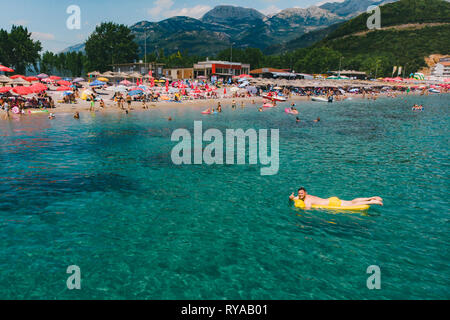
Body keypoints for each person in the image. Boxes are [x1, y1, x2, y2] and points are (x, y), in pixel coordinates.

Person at [289, 187, 383, 209]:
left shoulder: (307, 200)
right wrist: (291, 198)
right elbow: (296, 198)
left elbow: (307, 208)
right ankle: (371, 198)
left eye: (301, 193)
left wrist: (302, 212)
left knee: (352, 204)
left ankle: (373, 202)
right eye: (299, 194)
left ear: (305, 193)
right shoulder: (306, 196)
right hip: (331, 199)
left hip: (332, 203)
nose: (300, 195)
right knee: (351, 201)